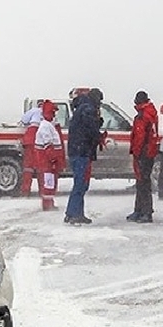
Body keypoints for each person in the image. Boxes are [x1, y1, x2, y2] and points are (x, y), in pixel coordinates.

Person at [64, 88, 104, 225]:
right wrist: (98, 130)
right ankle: (75, 213)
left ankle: (73, 213)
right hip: (82, 151)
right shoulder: (88, 109)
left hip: (75, 150)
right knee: (81, 184)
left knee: (79, 182)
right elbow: (90, 130)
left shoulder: (80, 108)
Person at [128, 90, 159, 223]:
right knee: (143, 182)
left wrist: (135, 152)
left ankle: (144, 211)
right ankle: (141, 210)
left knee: (142, 182)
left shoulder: (142, 116)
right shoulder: (151, 113)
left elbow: (139, 137)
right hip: (150, 152)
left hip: (143, 153)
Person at [33, 100, 64, 211]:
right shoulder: (46, 127)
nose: (54, 115)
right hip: (47, 161)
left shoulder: (48, 125)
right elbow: (48, 145)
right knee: (48, 182)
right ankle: (47, 204)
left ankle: (49, 202)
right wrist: (53, 160)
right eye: (53, 112)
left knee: (49, 182)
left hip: (47, 161)